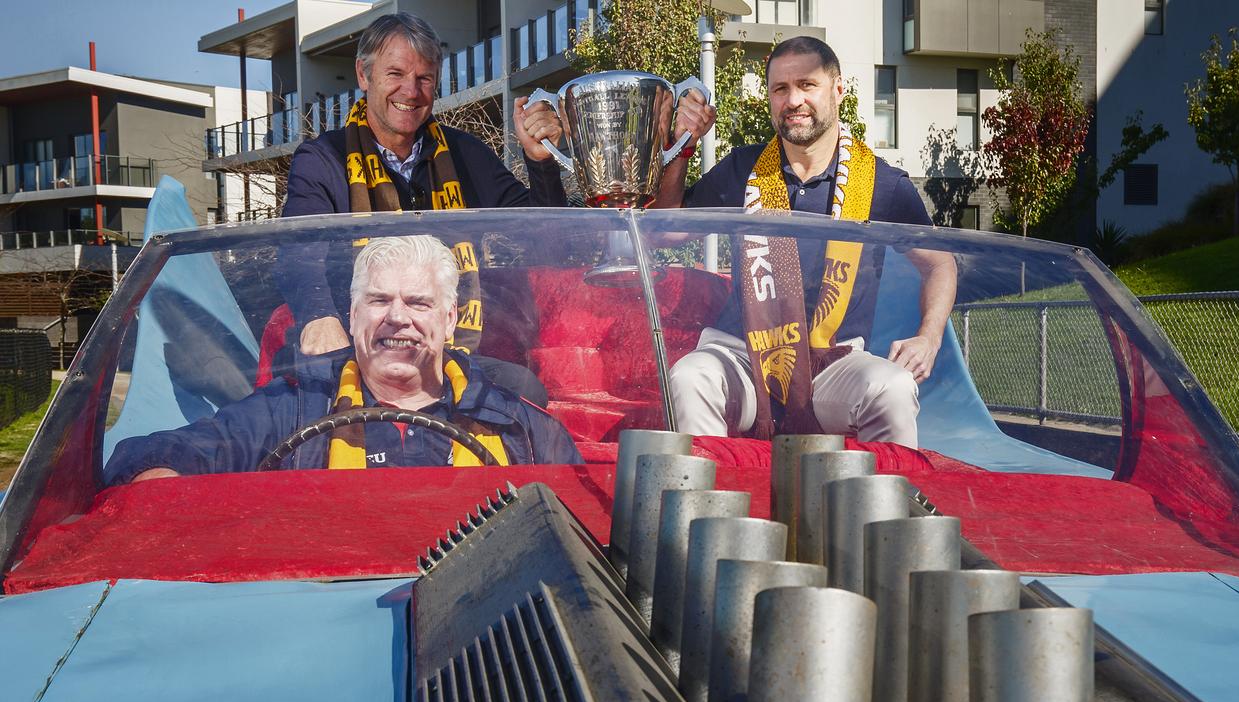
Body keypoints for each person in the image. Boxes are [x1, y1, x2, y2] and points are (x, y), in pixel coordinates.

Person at [653, 36, 957, 448]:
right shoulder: (743, 170)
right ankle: (709, 507)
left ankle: (882, 511)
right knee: (691, 378)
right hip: (743, 356)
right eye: (780, 89)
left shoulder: (884, 186)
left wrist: (929, 337)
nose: (793, 100)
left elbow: (939, 263)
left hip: (832, 361)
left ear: (837, 90)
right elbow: (666, 230)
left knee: (893, 388)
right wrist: (682, 146)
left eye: (807, 85)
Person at [104, 235, 583, 485]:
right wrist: (161, 480)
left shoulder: (517, 422)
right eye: (378, 301)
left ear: (450, 318)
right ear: (352, 317)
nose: (398, 317)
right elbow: (155, 455)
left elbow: (582, 515)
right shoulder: (292, 407)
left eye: (418, 303)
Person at [274, 12, 564, 405]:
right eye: (395, 74)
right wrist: (318, 315)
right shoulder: (322, 157)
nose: (410, 91)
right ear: (364, 74)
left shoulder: (466, 154)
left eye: (424, 78)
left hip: (447, 355)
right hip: (353, 356)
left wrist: (540, 161)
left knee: (525, 393)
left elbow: (547, 240)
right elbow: (298, 247)